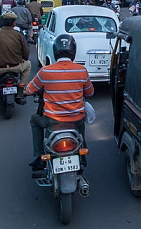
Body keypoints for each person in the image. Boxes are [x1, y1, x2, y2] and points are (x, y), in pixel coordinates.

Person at [25, 34, 94, 171]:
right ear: (73, 50)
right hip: (76, 119)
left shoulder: (45, 71)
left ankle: (39, 156)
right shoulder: (82, 70)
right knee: (81, 127)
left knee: (34, 120)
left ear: (55, 51)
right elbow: (90, 93)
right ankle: (83, 152)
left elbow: (28, 90)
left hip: (52, 120)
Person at [0, 12, 32, 109]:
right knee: (28, 65)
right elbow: (26, 53)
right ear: (14, 23)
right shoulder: (19, 35)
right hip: (16, 68)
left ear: (1, 23)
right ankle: (21, 89)